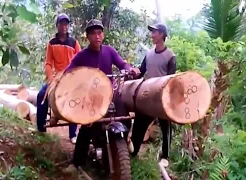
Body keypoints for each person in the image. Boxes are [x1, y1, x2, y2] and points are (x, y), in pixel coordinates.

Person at [63, 19, 140, 168]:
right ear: (88, 37)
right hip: (91, 97)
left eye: (99, 33)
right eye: (93, 34)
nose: (97, 36)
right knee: (87, 127)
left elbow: (122, 64)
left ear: (103, 35)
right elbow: (68, 71)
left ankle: (124, 140)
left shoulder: (109, 51)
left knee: (123, 112)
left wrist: (130, 69)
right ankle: (77, 163)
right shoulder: (82, 55)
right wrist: (77, 79)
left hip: (109, 94)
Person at [130, 23, 177, 163]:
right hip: (147, 97)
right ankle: (133, 152)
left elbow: (171, 79)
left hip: (162, 99)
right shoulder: (149, 54)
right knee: (139, 125)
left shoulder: (170, 56)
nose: (152, 34)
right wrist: (132, 74)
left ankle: (165, 157)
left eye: (155, 32)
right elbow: (141, 71)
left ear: (162, 34)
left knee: (165, 127)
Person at [36, 13, 81, 144]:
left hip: (70, 76)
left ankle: (73, 134)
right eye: (61, 23)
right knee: (41, 95)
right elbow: (48, 63)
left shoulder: (74, 43)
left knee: (74, 99)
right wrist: (50, 78)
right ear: (57, 25)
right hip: (56, 77)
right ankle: (41, 128)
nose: (64, 26)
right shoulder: (51, 43)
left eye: (66, 23)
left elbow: (79, 61)